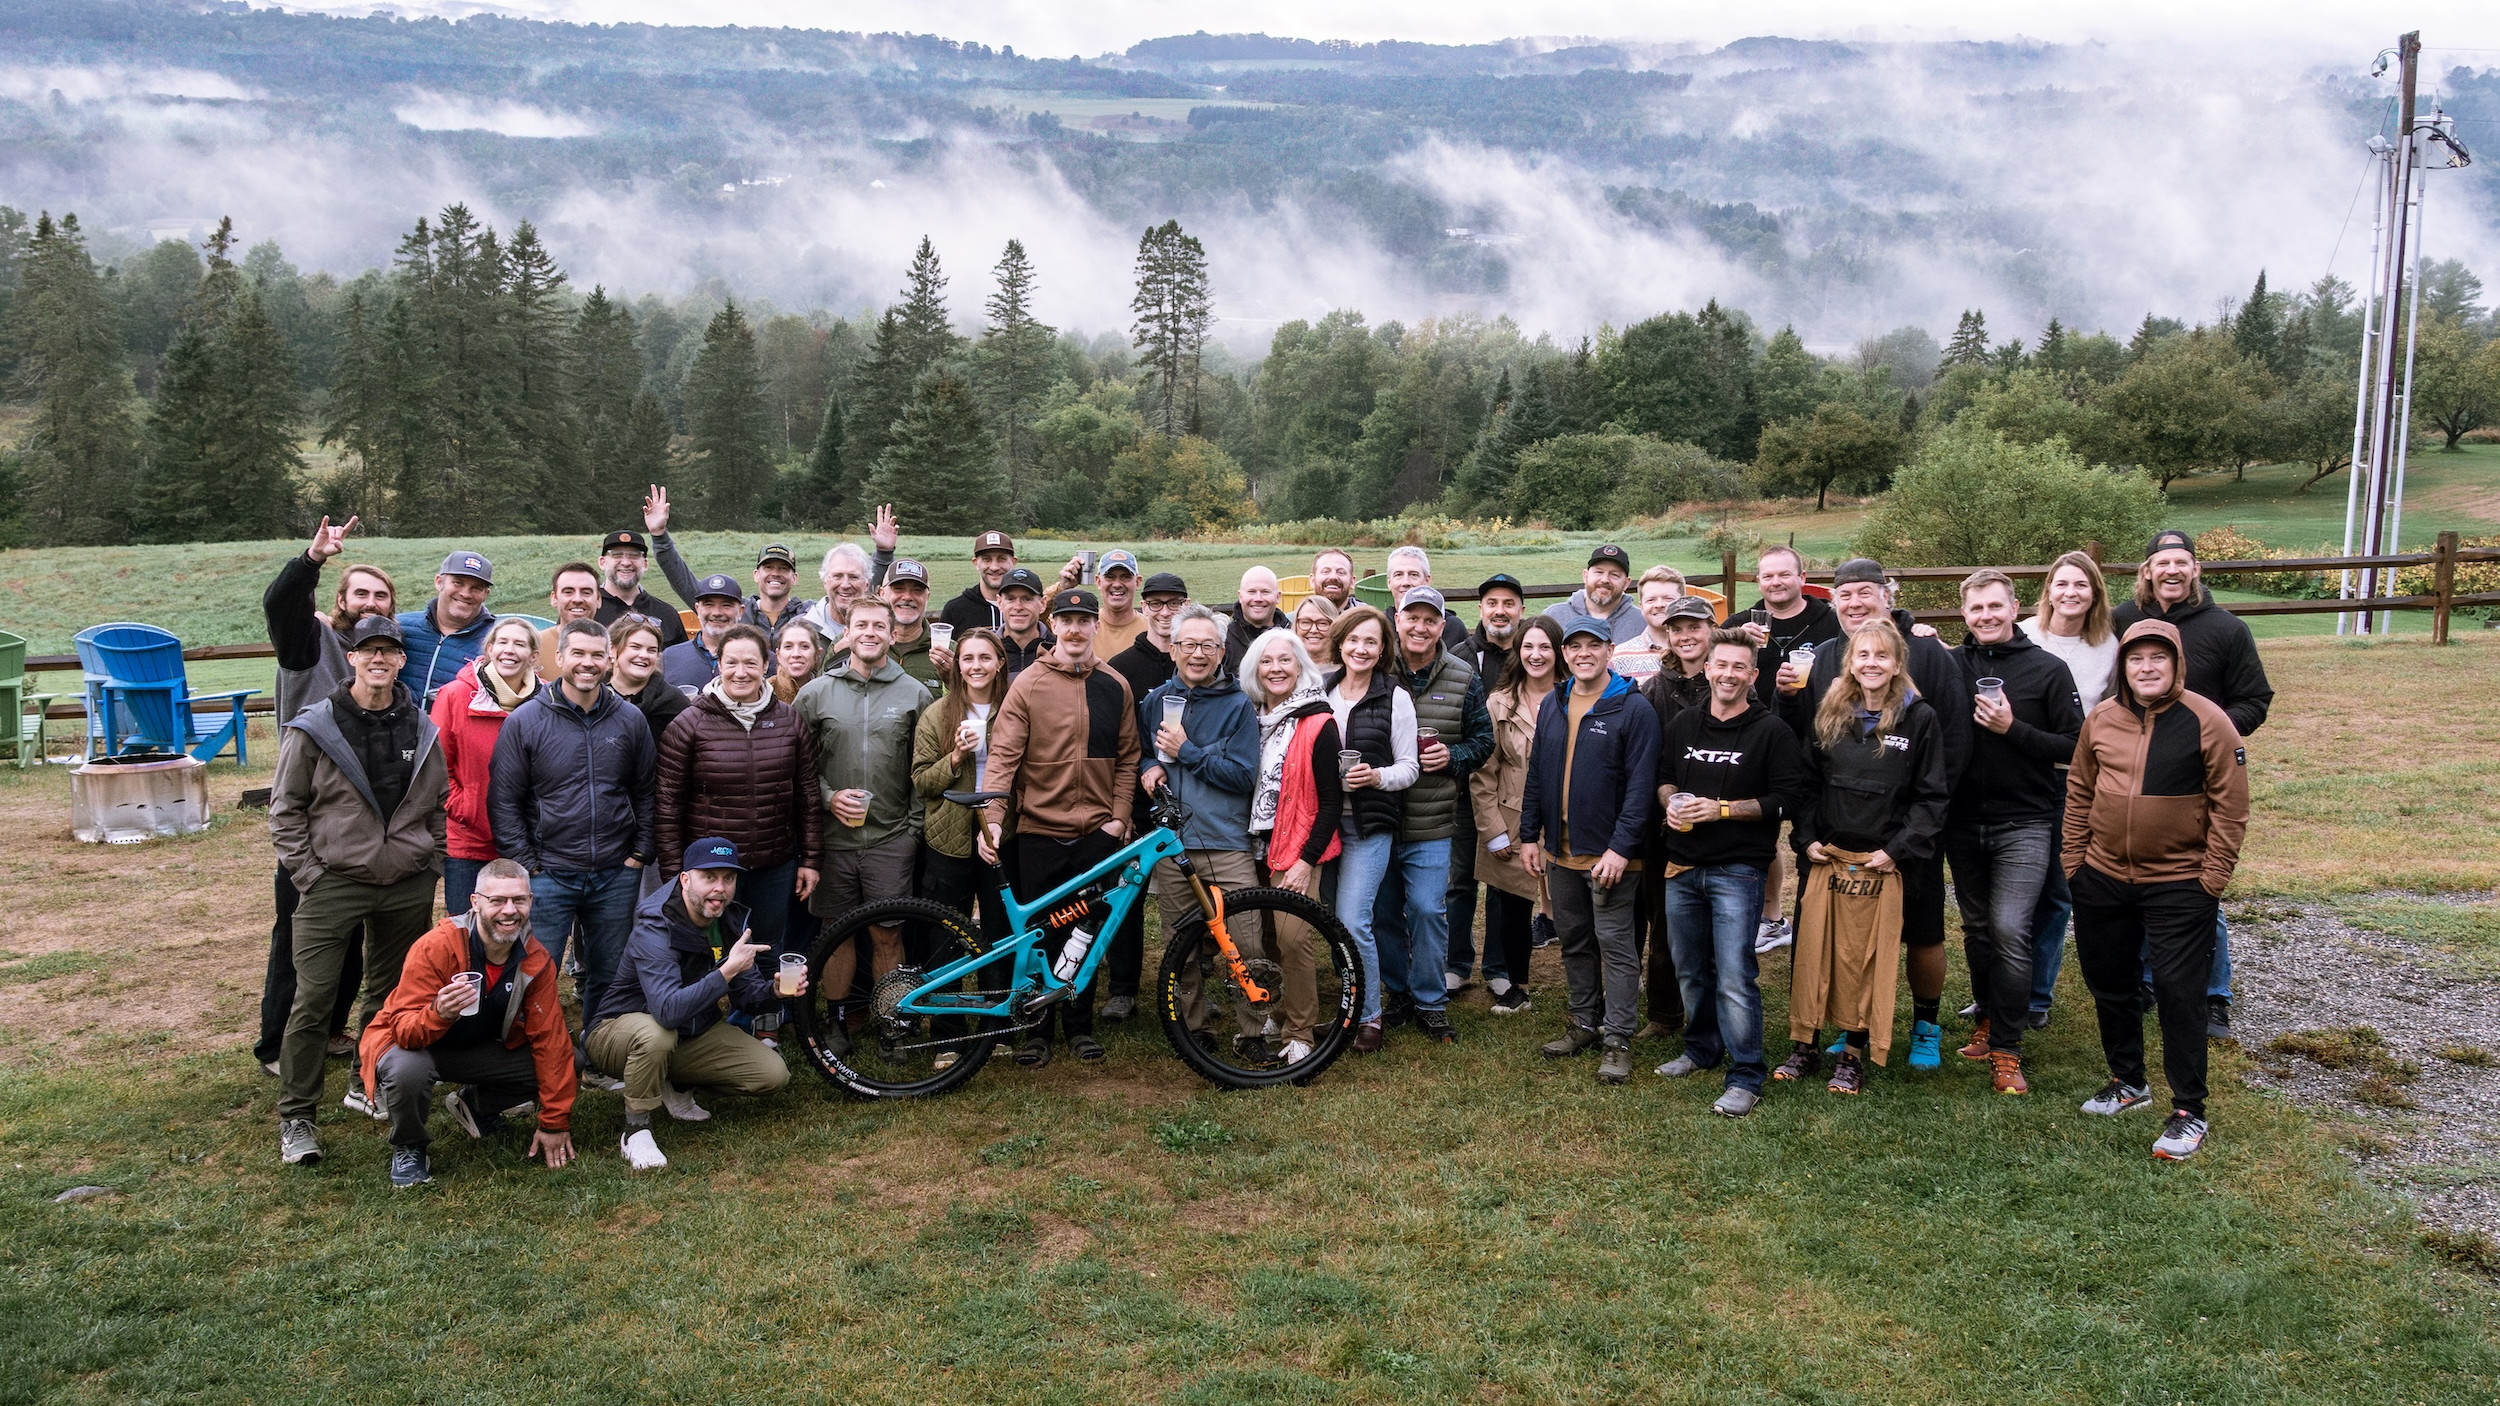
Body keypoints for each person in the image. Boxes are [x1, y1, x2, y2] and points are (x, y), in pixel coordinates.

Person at [1776, 557, 1973, 1069]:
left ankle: (1925, 1023)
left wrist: (1911, 833)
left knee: (1923, 930)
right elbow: (1814, 753)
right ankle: (1845, 1022)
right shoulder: (1823, 658)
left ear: (1888, 593)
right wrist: (1810, 829)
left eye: (1867, 591)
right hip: (1840, 832)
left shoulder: (1930, 651)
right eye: (1846, 594)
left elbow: (1951, 747)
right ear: (1833, 601)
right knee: (1840, 932)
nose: (1857, 602)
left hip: (1907, 834)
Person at [268, 615, 449, 1167]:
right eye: (368, 650)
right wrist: (309, 874)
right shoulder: (315, 727)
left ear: (400, 660)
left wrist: (432, 861)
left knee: (390, 994)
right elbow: (285, 809)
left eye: (389, 652)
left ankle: (363, 1081)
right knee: (315, 1002)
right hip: (333, 882)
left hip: (406, 883)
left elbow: (440, 802)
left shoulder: (421, 726)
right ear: (351, 657)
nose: (379, 660)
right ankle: (297, 1116)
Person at [2065, 620, 2249, 1161]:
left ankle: (2189, 1109)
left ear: (2176, 664)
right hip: (2101, 876)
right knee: (2110, 982)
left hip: (2179, 883)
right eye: (2136, 658)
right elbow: (2078, 790)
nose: (2147, 667)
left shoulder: (2208, 722)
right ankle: (2129, 1082)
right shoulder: (2100, 718)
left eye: (2158, 658)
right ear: (2122, 665)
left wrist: (2210, 879)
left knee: (2177, 991)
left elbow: (2230, 808)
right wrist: (2075, 863)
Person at [2111, 529, 2273, 1041]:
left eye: (2182, 562)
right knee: (2134, 877)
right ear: (2147, 571)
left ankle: (2212, 996)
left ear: (2196, 569)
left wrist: (2206, 735)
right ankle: (2144, 981)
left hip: (2196, 778)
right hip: (2131, 770)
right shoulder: (2122, 623)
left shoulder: (2226, 630)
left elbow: (2255, 700)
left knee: (2197, 884)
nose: (2172, 571)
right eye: (2163, 563)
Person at [979, 586, 1141, 1067]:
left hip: (1098, 834)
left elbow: (1128, 759)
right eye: (1066, 620)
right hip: (1038, 831)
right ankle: (1036, 1027)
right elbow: (1004, 757)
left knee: (1087, 931)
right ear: (1055, 626)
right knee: (1040, 934)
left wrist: (1118, 818)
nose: (1074, 628)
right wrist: (991, 818)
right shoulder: (1027, 684)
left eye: (1083, 620)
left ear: (1095, 626)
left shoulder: (1115, 685)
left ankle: (1078, 1025)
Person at [1652, 631, 1809, 1117]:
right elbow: (1664, 778)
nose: (1727, 674)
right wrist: (1670, 804)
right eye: (1721, 665)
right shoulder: (1684, 723)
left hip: (1737, 870)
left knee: (1736, 974)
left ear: (1752, 676)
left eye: (1738, 667)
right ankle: (1702, 1048)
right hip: (1681, 866)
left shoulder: (1771, 732)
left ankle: (1746, 1073)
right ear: (1708, 668)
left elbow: (1786, 800)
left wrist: (1720, 810)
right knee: (1690, 967)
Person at [488, 619, 657, 1059]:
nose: (588, 663)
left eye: (597, 655)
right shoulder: (525, 721)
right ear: (558, 658)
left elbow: (647, 791)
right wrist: (529, 864)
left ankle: (601, 1053)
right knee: (535, 970)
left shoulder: (630, 719)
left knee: (610, 970)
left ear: (609, 659)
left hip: (616, 872)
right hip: (550, 873)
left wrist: (641, 852)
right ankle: (537, 1060)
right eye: (578, 654)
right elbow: (504, 801)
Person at [257, 517, 390, 1076]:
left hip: (364, 820)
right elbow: (281, 605)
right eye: (360, 592)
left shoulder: (382, 656)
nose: (370, 601)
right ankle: (276, 1045)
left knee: (352, 932)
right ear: (339, 599)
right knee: (299, 930)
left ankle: (333, 1028)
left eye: (381, 595)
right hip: (311, 815)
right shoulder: (308, 642)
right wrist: (311, 560)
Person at [357, 859, 578, 1188]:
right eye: (497, 900)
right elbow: (402, 1030)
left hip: (475, 1049)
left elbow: (551, 1041)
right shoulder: (437, 946)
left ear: (531, 902)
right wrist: (439, 1013)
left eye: (519, 900)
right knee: (408, 1072)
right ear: (475, 903)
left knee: (570, 1060)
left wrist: (554, 1122)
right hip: (414, 1046)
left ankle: (474, 1106)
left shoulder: (536, 959)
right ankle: (409, 1145)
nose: (509, 911)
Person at [1945, 569, 2083, 1091]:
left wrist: (2013, 729)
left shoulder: (2048, 669)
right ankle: (1986, 1020)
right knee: (1978, 931)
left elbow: (2075, 747)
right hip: (1961, 822)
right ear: (1964, 613)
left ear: (2014, 607)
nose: (1986, 616)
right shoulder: (1950, 666)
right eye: (1976, 608)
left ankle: (2008, 1048)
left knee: (2009, 931)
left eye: (1995, 606)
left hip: (2024, 821)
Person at [589, 839, 799, 1170]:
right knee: (656, 1034)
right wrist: (727, 969)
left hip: (689, 1031)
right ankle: (636, 1129)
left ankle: (676, 1082)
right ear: (685, 880)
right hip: (619, 1030)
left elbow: (747, 995)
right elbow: (667, 1010)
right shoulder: (656, 923)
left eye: (728, 879)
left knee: (771, 1075)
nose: (720, 889)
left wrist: (775, 992)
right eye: (709, 877)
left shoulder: (729, 919)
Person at [1521, 618, 1661, 1084]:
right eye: (1575, 645)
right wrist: (1529, 835)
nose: (1584, 653)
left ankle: (1618, 1037)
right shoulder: (1554, 703)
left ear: (1610, 649)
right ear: (1565, 654)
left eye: (1593, 645)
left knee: (1616, 946)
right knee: (1575, 941)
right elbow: (1538, 772)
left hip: (1610, 857)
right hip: (1561, 853)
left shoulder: (1632, 708)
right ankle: (1585, 1021)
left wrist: (1621, 849)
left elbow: (1642, 788)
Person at [656, 623, 822, 990]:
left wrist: (810, 859)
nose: (741, 672)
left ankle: (764, 1025)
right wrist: (673, 874)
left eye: (751, 662)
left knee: (766, 945)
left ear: (767, 665)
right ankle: (702, 1022)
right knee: (707, 948)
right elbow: (668, 805)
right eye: (731, 662)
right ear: (718, 664)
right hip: (713, 865)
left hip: (774, 859)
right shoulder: (690, 723)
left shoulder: (788, 720)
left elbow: (808, 795)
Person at [795, 596, 931, 1041]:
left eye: (879, 625)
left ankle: (891, 1020)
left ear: (893, 635)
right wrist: (829, 797)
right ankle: (837, 1021)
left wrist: (912, 830)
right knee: (837, 934)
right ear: (846, 634)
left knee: (887, 934)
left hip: (891, 839)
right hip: (833, 840)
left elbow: (922, 766)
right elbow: (796, 768)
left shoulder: (914, 692)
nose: (870, 632)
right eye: (861, 625)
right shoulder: (816, 693)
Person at [1139, 605, 1268, 1056]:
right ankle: (1192, 1029)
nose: (1198, 654)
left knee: (1246, 942)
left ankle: (1255, 1031)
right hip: (1174, 844)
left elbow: (1242, 775)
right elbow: (1140, 752)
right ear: (1173, 650)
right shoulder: (1155, 701)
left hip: (1225, 841)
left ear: (1221, 653)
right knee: (1182, 944)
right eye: (1189, 645)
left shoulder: (1238, 706)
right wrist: (1150, 765)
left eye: (1208, 646)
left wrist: (1188, 752)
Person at [1369, 586, 1493, 1043]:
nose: (1419, 627)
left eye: (1429, 620)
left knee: (1426, 909)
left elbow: (1484, 741)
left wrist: (1453, 756)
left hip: (1433, 819)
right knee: (1383, 912)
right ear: (1396, 620)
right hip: (1378, 816)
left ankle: (1430, 999)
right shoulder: (1375, 671)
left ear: (1442, 626)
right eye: (1411, 617)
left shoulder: (1463, 675)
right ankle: (1398, 992)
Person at [2019, 550, 2120, 1026]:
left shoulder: (2110, 647)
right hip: (2018, 772)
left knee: (2056, 890)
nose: (2071, 593)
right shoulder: (2022, 633)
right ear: (2048, 591)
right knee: (2014, 892)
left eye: (2081, 585)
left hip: (2072, 779)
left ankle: (2037, 995)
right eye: (2062, 584)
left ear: (2095, 593)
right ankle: (1998, 990)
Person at [1241, 628, 1345, 1064]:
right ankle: (1267, 1010)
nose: (1276, 669)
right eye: (1267, 661)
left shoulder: (1319, 721)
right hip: (1251, 843)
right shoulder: (1248, 718)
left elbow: (1331, 800)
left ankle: (1299, 1029)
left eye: (1285, 660)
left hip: (1298, 845)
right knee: (1258, 937)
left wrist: (1306, 860)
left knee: (1292, 936)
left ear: (1300, 665)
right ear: (1255, 669)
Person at [1321, 604, 1419, 1053]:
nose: (1360, 649)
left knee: (1354, 920)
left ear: (1382, 651)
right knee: (1329, 922)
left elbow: (1410, 768)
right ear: (1340, 643)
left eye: (1371, 642)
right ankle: (1347, 1008)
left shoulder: (1394, 696)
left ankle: (1370, 1017)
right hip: (1320, 825)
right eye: (1354, 640)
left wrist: (1377, 776)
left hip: (1367, 825)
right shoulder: (1319, 689)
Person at [1736, 545, 1843, 954]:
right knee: (1761, 833)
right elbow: (1713, 661)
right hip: (1756, 742)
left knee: (1815, 833)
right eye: (1767, 576)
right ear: (1758, 581)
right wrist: (1735, 642)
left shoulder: (1829, 621)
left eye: (1784, 574)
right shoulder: (1742, 622)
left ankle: (1822, 922)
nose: (1775, 582)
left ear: (1802, 578)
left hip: (1817, 742)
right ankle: (1772, 917)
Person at [1100, 572, 1188, 1020]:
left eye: (1175, 603)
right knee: (1127, 895)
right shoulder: (1121, 667)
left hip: (1191, 798)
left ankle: (1191, 985)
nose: (1165, 612)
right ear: (1145, 607)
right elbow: (1118, 740)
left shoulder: (1196, 660)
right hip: (1136, 797)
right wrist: (1123, 804)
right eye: (1156, 603)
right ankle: (1122, 987)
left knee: (1193, 893)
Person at [1632, 594, 1717, 1036]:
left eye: (1694, 627)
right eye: (1677, 628)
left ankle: (1710, 1011)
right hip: (1662, 817)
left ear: (1711, 629)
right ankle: (1665, 1013)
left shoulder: (1726, 677)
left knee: (1710, 924)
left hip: (1718, 818)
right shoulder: (1656, 686)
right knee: (1661, 917)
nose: (1685, 636)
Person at [1472, 614, 1561, 1016]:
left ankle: (1592, 988)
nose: (1536, 655)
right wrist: (1492, 830)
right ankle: (1516, 986)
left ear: (1558, 651)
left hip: (1565, 815)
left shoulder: (1576, 696)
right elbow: (1483, 771)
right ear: (1517, 651)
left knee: (1578, 905)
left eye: (1544, 646)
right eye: (1528, 646)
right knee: (1510, 906)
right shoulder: (1500, 701)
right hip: (1509, 815)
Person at [433, 617, 539, 917]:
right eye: (502, 642)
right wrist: (467, 808)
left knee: (518, 931)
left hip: (527, 841)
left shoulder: (548, 701)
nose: (510, 650)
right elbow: (437, 768)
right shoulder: (454, 695)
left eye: (520, 644)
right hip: (469, 842)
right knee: (466, 929)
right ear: (489, 649)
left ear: (533, 656)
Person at [915, 627, 1013, 942]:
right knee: (946, 929)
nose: (976, 666)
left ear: (1000, 662)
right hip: (949, 832)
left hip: (1001, 829)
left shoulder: (1016, 710)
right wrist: (956, 757)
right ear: (957, 665)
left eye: (985, 658)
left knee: (999, 927)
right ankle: (946, 987)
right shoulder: (937, 715)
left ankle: (997, 989)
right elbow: (923, 783)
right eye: (968, 658)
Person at [396, 549, 497, 710]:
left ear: (486, 594)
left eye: (476, 588)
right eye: (457, 583)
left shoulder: (498, 640)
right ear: (439, 582)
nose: (465, 593)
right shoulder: (399, 626)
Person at [591, 495, 689, 648]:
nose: (625, 562)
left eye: (634, 555)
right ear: (602, 562)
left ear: (645, 564)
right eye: (616, 555)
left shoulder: (666, 613)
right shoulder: (587, 611)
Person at [799, 533, 898, 649]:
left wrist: (884, 552)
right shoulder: (801, 629)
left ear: (867, 584)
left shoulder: (883, 630)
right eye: (837, 576)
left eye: (854, 577)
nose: (845, 585)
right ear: (825, 581)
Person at [607, 617, 689, 747]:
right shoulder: (594, 696)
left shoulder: (674, 702)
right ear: (612, 650)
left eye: (651, 650)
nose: (644, 655)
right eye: (635, 647)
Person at [661, 574, 748, 691]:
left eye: (726, 605)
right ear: (697, 609)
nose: (716, 612)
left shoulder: (760, 658)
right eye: (708, 604)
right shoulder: (670, 657)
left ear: (741, 611)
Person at [1544, 543, 1643, 643]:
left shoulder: (1642, 622)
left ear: (1626, 583)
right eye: (1599, 572)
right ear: (1585, 576)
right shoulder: (1554, 616)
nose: (1605, 580)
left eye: (1614, 575)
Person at [1606, 565, 1690, 681]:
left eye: (1668, 599)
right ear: (1641, 606)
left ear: (1683, 602)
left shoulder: (1700, 651)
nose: (1659, 604)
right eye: (1651, 600)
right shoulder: (1619, 658)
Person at [1384, 545, 1472, 653]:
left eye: (1413, 574)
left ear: (1427, 581)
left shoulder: (1453, 628)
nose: (1405, 582)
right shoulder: (1379, 625)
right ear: (1389, 582)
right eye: (1398, 575)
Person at [937, 527, 1023, 636]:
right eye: (987, 559)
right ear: (976, 563)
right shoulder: (956, 609)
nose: (994, 567)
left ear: (1013, 562)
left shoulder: (1026, 608)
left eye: (1001, 559)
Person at [877, 558, 948, 689]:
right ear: (882, 593)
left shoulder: (948, 650)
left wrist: (953, 679)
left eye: (917, 590)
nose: (908, 597)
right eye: (898, 589)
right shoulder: (862, 643)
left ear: (928, 597)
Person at [536, 561, 605, 677]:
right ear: (554, 598)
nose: (577, 599)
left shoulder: (613, 646)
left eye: (586, 592)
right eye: (568, 592)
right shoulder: (534, 645)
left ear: (598, 599)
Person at [1459, 572, 1527, 683]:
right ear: (1481, 610)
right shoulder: (1460, 656)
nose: (1500, 611)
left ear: (1521, 611)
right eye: (1492, 603)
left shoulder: (1534, 657)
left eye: (1508, 604)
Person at [1221, 565, 1286, 672]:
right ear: (1240, 596)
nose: (1258, 599)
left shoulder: (1292, 635)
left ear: (1278, 597)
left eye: (1265, 592)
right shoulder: (1224, 639)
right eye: (1251, 592)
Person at [995, 567, 1054, 676]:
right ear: (999, 602)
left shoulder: (1056, 650)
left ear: (1043, 604)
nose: (1018, 607)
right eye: (1010, 599)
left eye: (1027, 599)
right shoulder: (988, 649)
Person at [1091, 549, 1149, 657]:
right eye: (1110, 577)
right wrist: (1062, 586)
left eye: (1125, 577)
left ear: (1137, 582)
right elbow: (1049, 619)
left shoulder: (1151, 630)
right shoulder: (1085, 626)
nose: (1117, 584)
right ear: (1098, 581)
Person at [742, 543, 809, 634]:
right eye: (768, 567)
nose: (775, 573)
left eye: (783, 568)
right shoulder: (740, 613)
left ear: (794, 578)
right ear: (756, 575)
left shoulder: (808, 614)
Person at [769, 618, 826, 704]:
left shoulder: (828, 692)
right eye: (788, 647)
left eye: (804, 646)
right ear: (778, 655)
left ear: (817, 654)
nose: (796, 654)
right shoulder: (764, 691)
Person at [1292, 595, 1342, 667]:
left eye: (1322, 623)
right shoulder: (1285, 669)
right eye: (1306, 622)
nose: (1313, 630)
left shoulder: (1347, 671)